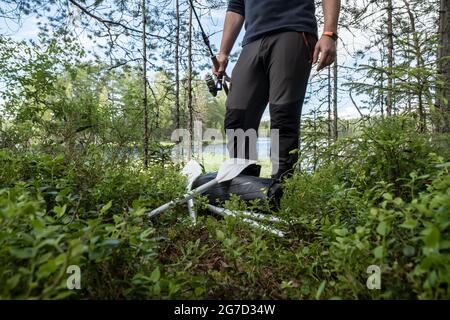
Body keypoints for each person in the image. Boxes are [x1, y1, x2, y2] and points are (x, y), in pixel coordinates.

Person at [214, 0, 341, 180]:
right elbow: (236, 7)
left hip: (293, 29)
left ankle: (279, 193)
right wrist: (223, 53)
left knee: (283, 118)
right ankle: (243, 189)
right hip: (252, 40)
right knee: (237, 117)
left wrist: (329, 33)